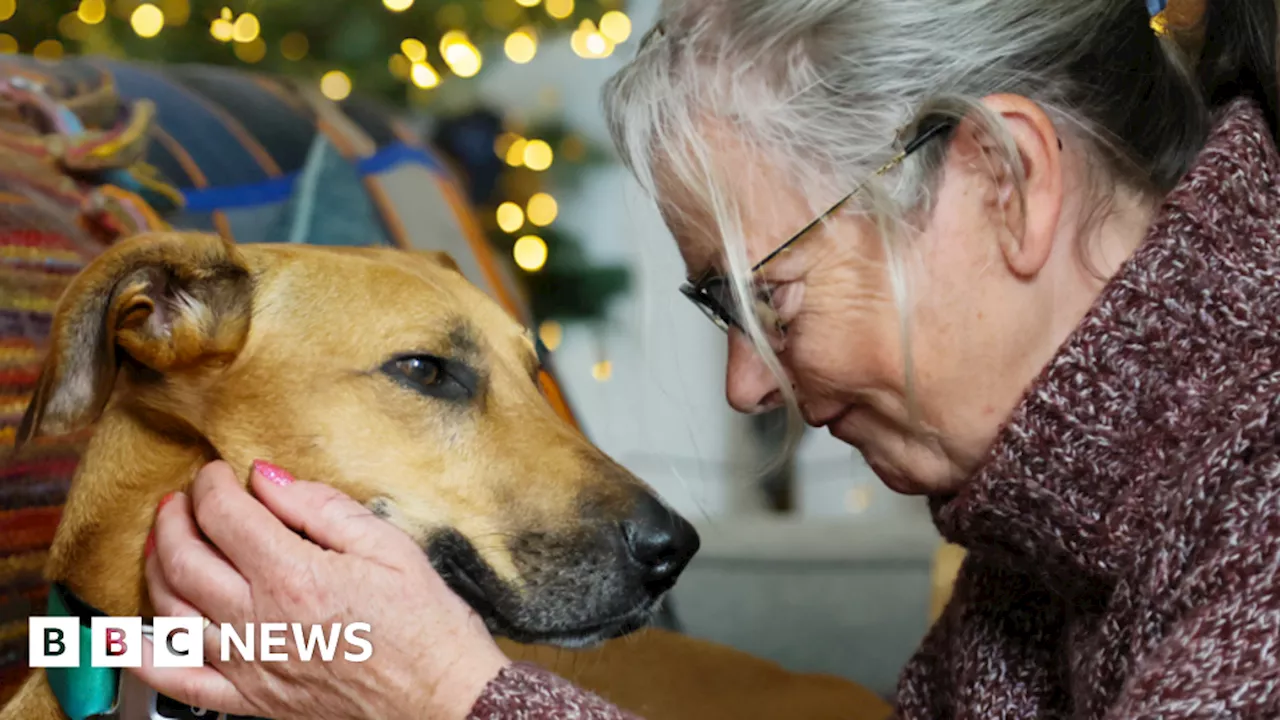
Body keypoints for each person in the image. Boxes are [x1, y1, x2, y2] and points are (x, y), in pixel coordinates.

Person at [132, 0, 1280, 716]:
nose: (746, 384)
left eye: (763, 295)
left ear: (997, 180)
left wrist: (450, 699)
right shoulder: (1050, 504)